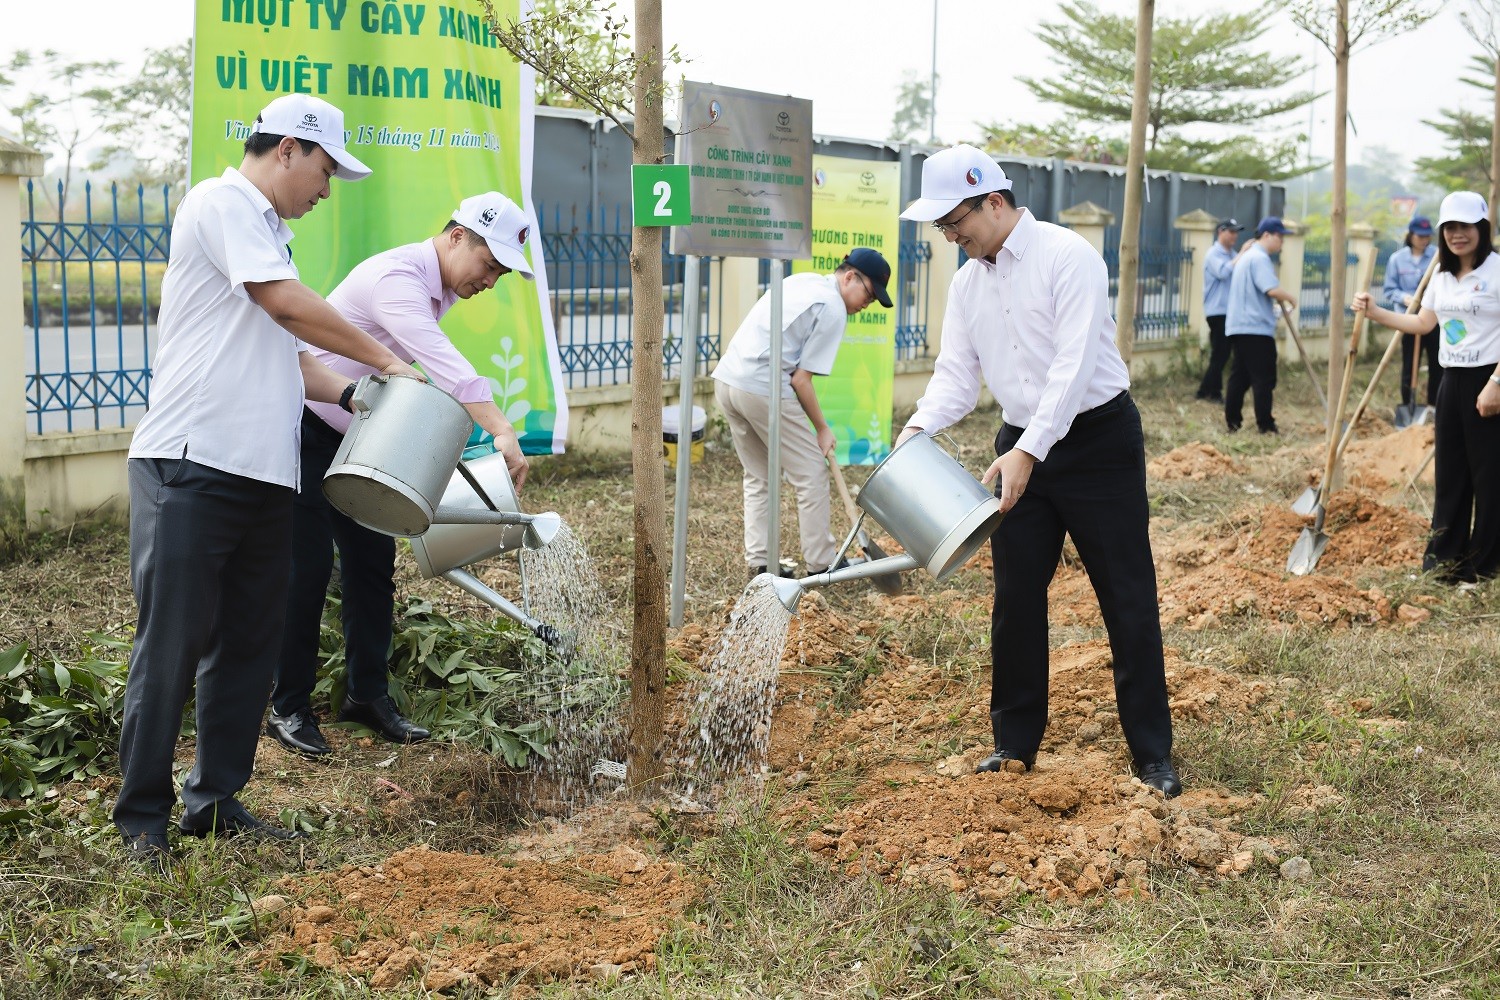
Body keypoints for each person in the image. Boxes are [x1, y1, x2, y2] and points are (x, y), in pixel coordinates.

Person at [114, 94, 424, 862]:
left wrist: (353, 393)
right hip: (191, 466)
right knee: (172, 645)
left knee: (248, 646)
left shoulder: (268, 237)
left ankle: (215, 801)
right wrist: (386, 359)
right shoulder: (221, 203)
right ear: (288, 149)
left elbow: (290, 356)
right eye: (325, 171)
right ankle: (143, 819)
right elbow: (284, 306)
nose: (326, 190)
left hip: (263, 477)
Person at [896, 144, 1181, 797]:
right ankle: (1014, 743)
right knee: (1016, 597)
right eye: (941, 227)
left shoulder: (1067, 256)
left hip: (1097, 442)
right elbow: (956, 377)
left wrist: (1032, 449)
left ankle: (1152, 754)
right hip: (1019, 442)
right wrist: (915, 431)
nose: (950, 237)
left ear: (993, 201)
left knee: (1127, 596)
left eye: (955, 221)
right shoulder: (967, 284)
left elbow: (1073, 367)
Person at [266, 192, 535, 756]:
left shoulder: (440, 288)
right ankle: (287, 706)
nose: (491, 281)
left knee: (372, 566)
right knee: (305, 569)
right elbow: (441, 363)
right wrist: (500, 429)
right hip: (306, 428)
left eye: (501, 274)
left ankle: (366, 695)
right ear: (457, 237)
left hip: (359, 436)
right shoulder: (399, 279)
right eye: (490, 265)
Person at [711, 248, 892, 581]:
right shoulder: (833, 308)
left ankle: (761, 565)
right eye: (869, 294)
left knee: (759, 475)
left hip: (728, 380)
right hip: (762, 386)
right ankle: (821, 564)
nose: (867, 304)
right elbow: (800, 380)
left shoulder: (803, 281)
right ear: (849, 277)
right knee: (811, 472)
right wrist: (822, 428)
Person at [1354, 190, 1500, 582]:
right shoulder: (1441, 274)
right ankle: (1444, 561)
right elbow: (1422, 323)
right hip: (1451, 380)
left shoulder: (1497, 271)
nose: (1457, 234)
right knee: (1450, 473)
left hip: (1489, 380)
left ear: (1482, 228)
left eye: (1465, 226)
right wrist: (1375, 312)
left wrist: (1496, 383)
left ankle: (1484, 566)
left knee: (1489, 476)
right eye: (1450, 227)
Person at [1224, 217, 1298, 435]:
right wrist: (1291, 298)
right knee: (1263, 378)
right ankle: (1266, 425)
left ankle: (1233, 422)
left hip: (1241, 326)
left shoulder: (1248, 257)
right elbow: (1270, 289)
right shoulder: (1259, 258)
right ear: (1267, 235)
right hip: (1254, 328)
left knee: (1240, 377)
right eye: (1280, 237)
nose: (1282, 242)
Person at [1382, 216, 1442, 408]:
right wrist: (1405, 298)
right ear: (1410, 235)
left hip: (1433, 319)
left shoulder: (1438, 256)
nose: (1424, 240)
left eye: (1427, 236)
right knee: (1409, 365)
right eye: (1420, 236)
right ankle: (1408, 404)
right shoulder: (1397, 259)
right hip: (1408, 320)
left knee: (1437, 364)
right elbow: (1389, 290)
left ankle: (1434, 405)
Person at [1194, 219, 1245, 402]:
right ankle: (1213, 393)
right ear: (1220, 232)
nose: (1234, 236)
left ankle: (1205, 391)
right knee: (1221, 353)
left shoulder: (1233, 254)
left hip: (1229, 312)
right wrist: (1242, 254)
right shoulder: (1213, 254)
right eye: (1231, 232)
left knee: (1222, 354)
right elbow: (1223, 272)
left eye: (1236, 232)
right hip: (1217, 312)